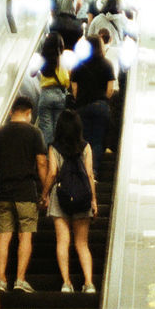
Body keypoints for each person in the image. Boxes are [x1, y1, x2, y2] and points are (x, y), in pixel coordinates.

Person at [0, 96, 49, 293]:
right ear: (29, 113)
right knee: (25, 236)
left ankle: (1, 281)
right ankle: (20, 280)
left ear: (12, 111)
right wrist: (45, 191)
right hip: (26, 193)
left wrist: (7, 162)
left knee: (3, 236)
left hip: (3, 192)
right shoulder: (34, 133)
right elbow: (41, 163)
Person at [40, 110, 97, 294]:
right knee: (82, 243)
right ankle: (89, 283)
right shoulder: (86, 147)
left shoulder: (54, 147)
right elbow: (89, 174)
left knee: (63, 241)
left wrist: (44, 194)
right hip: (82, 195)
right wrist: (94, 200)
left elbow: (52, 173)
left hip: (61, 196)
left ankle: (66, 283)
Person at [69, 35, 116, 175]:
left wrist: (82, 99)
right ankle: (92, 171)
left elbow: (74, 91)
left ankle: (82, 170)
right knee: (97, 141)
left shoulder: (78, 65)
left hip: (82, 108)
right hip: (100, 106)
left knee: (84, 140)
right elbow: (110, 90)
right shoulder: (107, 64)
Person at [32, 32, 70, 145]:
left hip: (46, 94)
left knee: (46, 130)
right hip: (61, 94)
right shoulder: (65, 58)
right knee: (59, 130)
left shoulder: (43, 59)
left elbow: (32, 73)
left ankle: (47, 159)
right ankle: (57, 159)